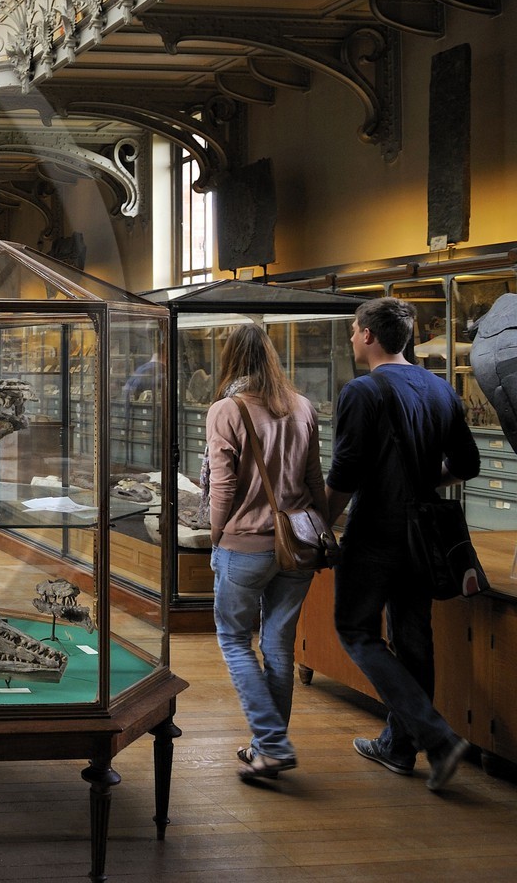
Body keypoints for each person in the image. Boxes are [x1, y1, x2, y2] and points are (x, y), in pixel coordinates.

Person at [326, 297, 479, 791]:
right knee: (414, 637)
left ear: (369, 335)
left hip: (374, 532)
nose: (352, 337)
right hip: (424, 534)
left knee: (356, 630)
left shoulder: (362, 391)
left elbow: (345, 474)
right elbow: (467, 464)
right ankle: (398, 747)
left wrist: (320, 526)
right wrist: (421, 480)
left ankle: (436, 737)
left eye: (354, 330)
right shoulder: (440, 389)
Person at [205, 324, 326, 782]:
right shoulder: (303, 406)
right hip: (298, 544)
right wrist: (321, 528)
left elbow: (223, 484)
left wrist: (216, 536)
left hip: (245, 544)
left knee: (234, 639)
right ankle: (266, 747)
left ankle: (272, 745)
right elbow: (316, 479)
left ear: (230, 359)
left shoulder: (227, 409)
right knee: (277, 644)